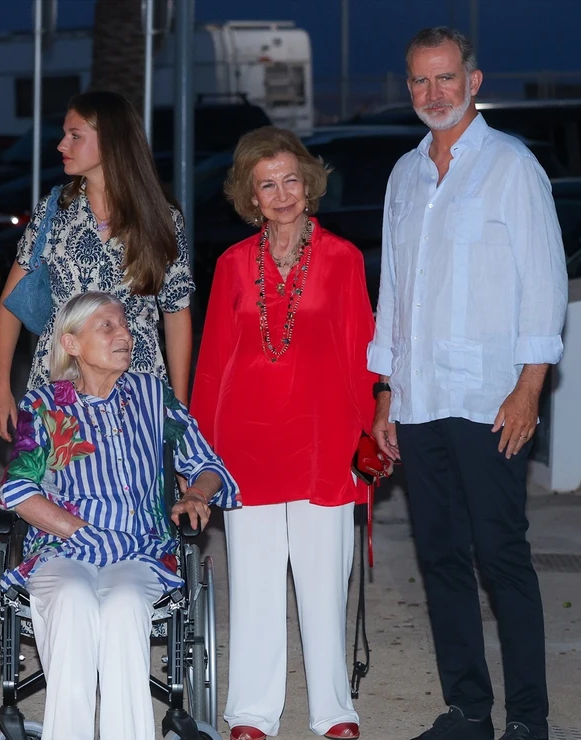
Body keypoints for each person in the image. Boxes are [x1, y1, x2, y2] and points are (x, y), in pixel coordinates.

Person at [369, 28, 567, 740]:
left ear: (473, 81)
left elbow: (544, 284)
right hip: (420, 399)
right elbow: (393, 288)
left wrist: (529, 387)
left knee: (502, 555)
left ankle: (528, 720)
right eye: (420, 82)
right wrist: (385, 390)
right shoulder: (404, 175)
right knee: (441, 557)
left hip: (490, 399)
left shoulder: (512, 167)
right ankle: (468, 711)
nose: (433, 95)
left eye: (445, 79)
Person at [190, 127, 377, 740]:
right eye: (266, 184)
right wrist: (200, 455)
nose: (281, 193)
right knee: (255, 586)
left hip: (324, 440)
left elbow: (362, 354)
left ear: (309, 182)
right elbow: (213, 361)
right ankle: (251, 713)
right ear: (250, 195)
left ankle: (334, 712)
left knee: (325, 584)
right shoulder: (230, 264)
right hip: (246, 446)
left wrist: (372, 429)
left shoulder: (345, 259)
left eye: (290, 179)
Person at [0, 291, 239, 740]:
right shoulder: (43, 404)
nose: (124, 333)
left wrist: (196, 496)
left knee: (125, 606)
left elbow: (208, 466)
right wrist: (81, 531)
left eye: (124, 325)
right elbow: (18, 490)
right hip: (63, 547)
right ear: (71, 344)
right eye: (106, 326)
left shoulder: (153, 395)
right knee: (72, 600)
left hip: (140, 549)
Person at [0, 91, 195, 442]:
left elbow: (176, 315)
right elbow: (10, 305)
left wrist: (179, 412)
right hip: (61, 384)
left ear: (110, 141)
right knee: (60, 493)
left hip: (137, 384)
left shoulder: (161, 219)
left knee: (135, 491)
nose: (61, 145)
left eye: (75, 135)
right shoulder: (53, 211)